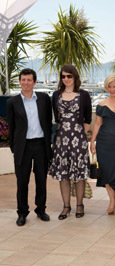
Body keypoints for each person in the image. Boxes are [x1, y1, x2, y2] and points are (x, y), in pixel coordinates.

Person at [6, 68, 52, 226]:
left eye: (29, 80)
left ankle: (41, 209)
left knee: (41, 180)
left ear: (34, 82)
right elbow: (11, 129)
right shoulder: (12, 102)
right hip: (23, 147)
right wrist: (14, 149)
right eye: (23, 80)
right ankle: (22, 212)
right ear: (19, 81)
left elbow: (48, 122)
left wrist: (48, 146)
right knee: (22, 182)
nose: (26, 83)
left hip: (40, 145)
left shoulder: (44, 99)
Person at [49, 64, 92, 220]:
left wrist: (82, 133)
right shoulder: (56, 95)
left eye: (69, 76)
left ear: (75, 77)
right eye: (63, 76)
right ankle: (66, 206)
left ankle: (79, 205)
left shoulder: (84, 95)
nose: (66, 79)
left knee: (79, 174)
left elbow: (88, 117)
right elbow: (56, 117)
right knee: (63, 174)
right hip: (61, 140)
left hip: (78, 141)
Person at [90, 74, 115, 215]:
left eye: (114, 86)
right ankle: (111, 200)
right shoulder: (101, 105)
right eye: (109, 87)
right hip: (104, 143)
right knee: (106, 172)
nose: (112, 89)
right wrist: (92, 142)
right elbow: (98, 124)